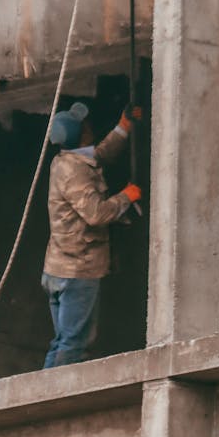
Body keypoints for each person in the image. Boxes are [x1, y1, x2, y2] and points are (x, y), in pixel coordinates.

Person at [41, 100, 141, 368]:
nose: (89, 124)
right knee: (75, 342)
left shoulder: (68, 160)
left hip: (61, 267)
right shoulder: (74, 171)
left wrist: (124, 126)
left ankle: (46, 392)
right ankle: (54, 398)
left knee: (64, 339)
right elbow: (96, 214)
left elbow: (100, 156)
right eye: (84, 124)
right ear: (81, 133)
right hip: (77, 270)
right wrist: (125, 198)